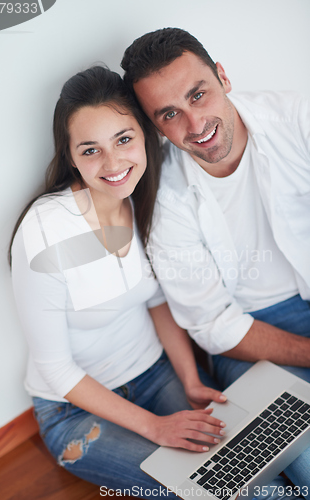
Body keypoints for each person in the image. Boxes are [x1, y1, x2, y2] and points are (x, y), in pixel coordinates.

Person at [9, 66, 228, 498]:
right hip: (72, 410)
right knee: (194, 490)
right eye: (90, 150)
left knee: (243, 469)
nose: (113, 164)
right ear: (70, 156)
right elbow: (55, 369)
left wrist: (189, 379)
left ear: (144, 135)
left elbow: (157, 301)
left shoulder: (149, 197)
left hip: (155, 373)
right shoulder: (44, 233)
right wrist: (155, 427)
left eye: (123, 139)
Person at [121, 28, 310, 492]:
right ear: (155, 126)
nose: (195, 124)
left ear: (222, 77)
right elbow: (214, 326)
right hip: (253, 335)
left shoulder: (297, 118)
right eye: (170, 114)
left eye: (198, 94)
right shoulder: (161, 196)